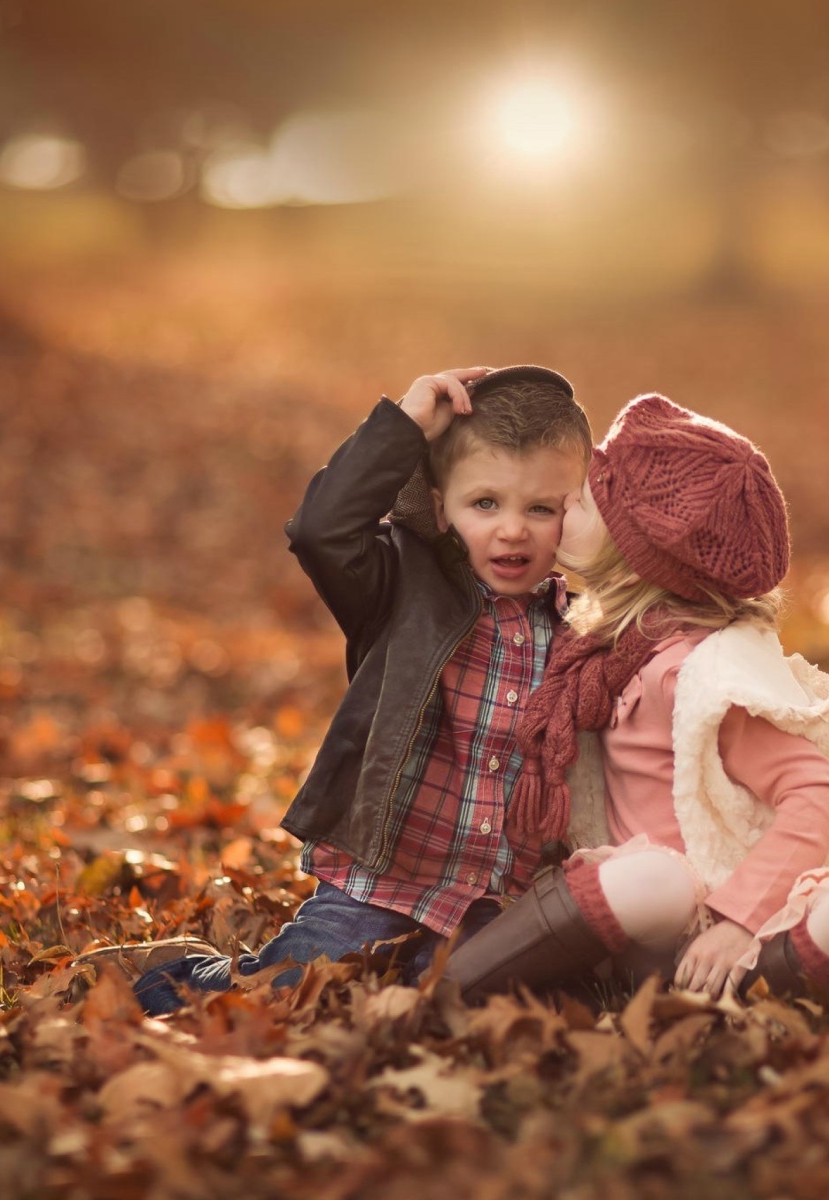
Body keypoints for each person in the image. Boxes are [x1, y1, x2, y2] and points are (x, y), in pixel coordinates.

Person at [127, 365, 593, 1015]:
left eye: (540, 508)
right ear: (439, 503)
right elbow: (321, 531)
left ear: (574, 513)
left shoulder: (584, 627)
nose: (512, 529)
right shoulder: (401, 585)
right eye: (485, 503)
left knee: (460, 1004)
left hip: (494, 900)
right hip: (379, 885)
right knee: (291, 992)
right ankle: (175, 980)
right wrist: (402, 427)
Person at [442, 393, 829, 1001]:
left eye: (587, 499)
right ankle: (453, 987)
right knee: (654, 882)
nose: (567, 500)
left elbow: (814, 793)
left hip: (738, 912)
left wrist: (735, 922)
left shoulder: (700, 673)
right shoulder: (601, 649)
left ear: (635, 553)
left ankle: (742, 988)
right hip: (646, 914)